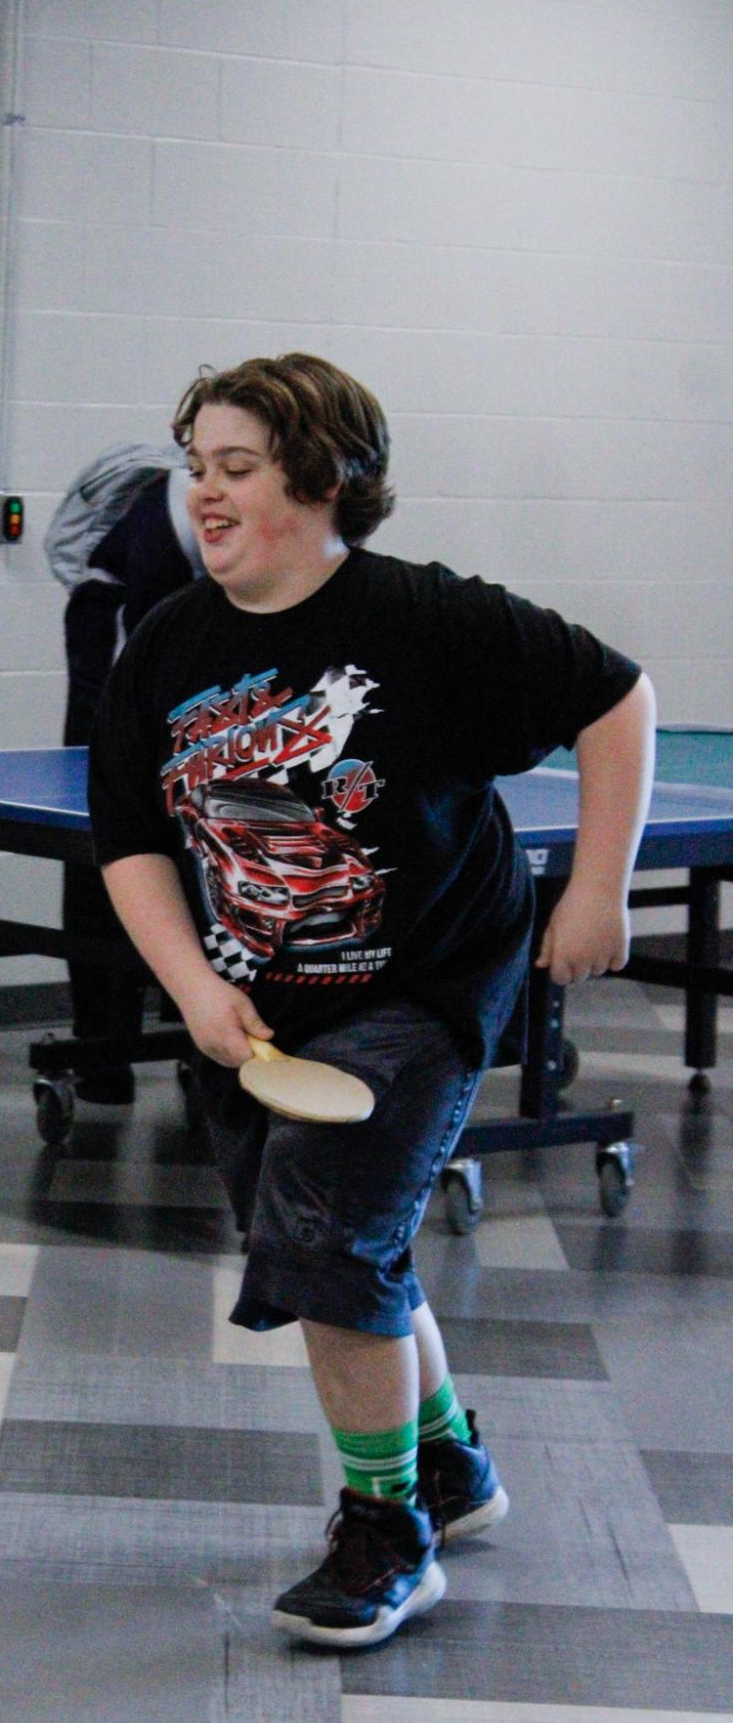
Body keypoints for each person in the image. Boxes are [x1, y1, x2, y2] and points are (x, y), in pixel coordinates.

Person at [88, 353, 655, 1648]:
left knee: (331, 1234)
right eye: (195, 469)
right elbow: (127, 839)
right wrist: (191, 987)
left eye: (235, 468)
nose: (205, 495)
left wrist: (599, 891)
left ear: (323, 481)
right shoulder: (167, 643)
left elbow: (617, 701)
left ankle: (383, 1526)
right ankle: (446, 1459)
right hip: (261, 997)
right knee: (333, 1246)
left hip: (424, 981)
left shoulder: (425, 623)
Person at [47, 445, 202, 1102]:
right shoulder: (161, 512)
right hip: (113, 677)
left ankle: (197, 1034)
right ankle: (101, 1047)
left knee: (207, 857)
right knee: (103, 852)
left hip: (188, 697)